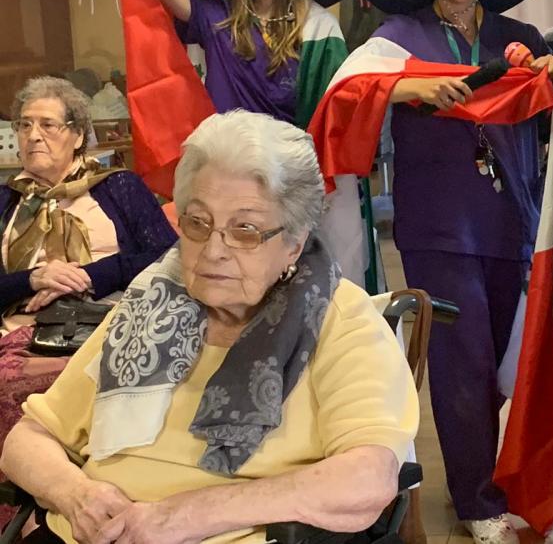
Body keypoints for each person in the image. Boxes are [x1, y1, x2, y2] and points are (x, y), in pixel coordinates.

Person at [0, 110, 419, 544]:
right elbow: (29, 438)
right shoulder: (146, 308)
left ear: (293, 244)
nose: (213, 250)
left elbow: (367, 478)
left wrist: (189, 514)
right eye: (198, 223)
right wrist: (76, 495)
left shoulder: (340, 319)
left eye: (246, 230)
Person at [313, 0, 553, 544]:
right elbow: (345, 94)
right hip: (439, 228)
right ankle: (476, 500)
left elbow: (552, 119)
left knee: (507, 363)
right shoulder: (399, 37)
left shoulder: (517, 35)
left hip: (512, 220)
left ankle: (496, 477)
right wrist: (408, 88)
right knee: (462, 366)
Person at [117, 0, 367, 286]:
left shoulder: (317, 30)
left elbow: (333, 119)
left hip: (287, 183)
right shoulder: (219, 20)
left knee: (295, 283)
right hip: (228, 179)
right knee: (235, 277)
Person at [0, 77, 176, 522]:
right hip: (19, 332)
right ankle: (29, 511)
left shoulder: (118, 187)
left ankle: (78, 506)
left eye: (48, 125)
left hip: (104, 325)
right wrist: (33, 278)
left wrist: (85, 276)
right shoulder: (7, 200)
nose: (33, 135)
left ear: (78, 134)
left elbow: (167, 255)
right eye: (24, 125)